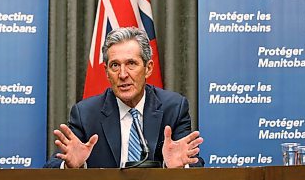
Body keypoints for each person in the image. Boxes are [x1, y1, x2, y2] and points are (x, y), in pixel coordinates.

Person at [44, 27, 204, 168]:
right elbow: (53, 166)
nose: (122, 74)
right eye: (115, 65)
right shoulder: (85, 114)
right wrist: (70, 166)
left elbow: (194, 163)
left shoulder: (173, 108)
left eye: (131, 64)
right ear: (106, 71)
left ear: (148, 68)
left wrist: (178, 167)